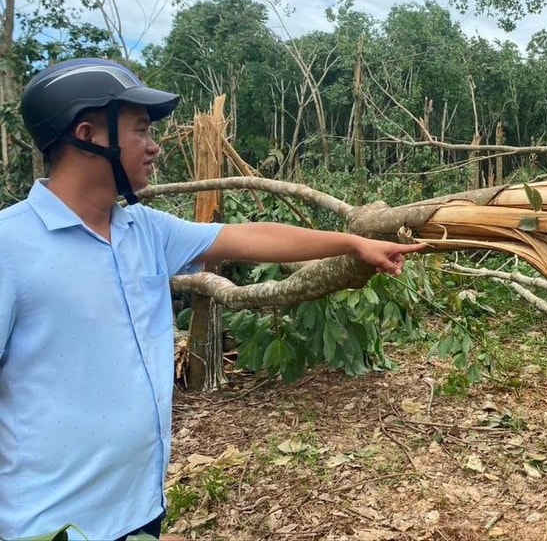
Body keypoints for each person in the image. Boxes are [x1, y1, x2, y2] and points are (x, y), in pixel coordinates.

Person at [0, 58, 427, 540]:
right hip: (45, 525)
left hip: (139, 510)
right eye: (141, 129)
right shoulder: (9, 248)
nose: (155, 145)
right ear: (89, 134)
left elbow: (249, 237)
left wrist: (353, 244)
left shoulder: (145, 231)